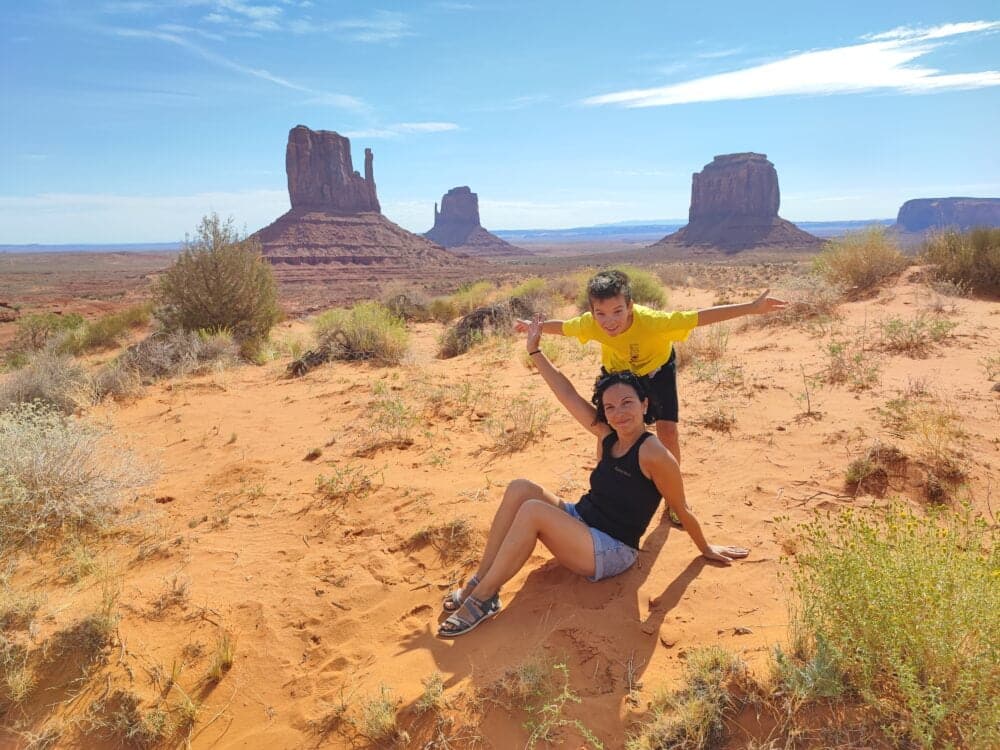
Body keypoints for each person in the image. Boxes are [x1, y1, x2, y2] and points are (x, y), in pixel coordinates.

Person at [437, 318, 749, 638]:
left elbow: (681, 508)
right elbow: (567, 394)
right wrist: (535, 351)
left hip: (611, 549)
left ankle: (484, 597)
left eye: (627, 403)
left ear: (645, 404)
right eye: (610, 406)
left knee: (533, 511)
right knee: (521, 489)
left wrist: (706, 547)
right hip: (582, 522)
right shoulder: (607, 434)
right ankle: (480, 579)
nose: (619, 413)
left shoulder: (654, 453)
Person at [516, 270, 787, 468]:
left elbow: (700, 317)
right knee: (608, 431)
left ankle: (673, 499)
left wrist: (750, 308)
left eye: (618, 311)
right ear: (592, 310)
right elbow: (562, 327)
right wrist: (532, 326)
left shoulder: (654, 322)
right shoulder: (589, 324)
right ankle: (607, 482)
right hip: (618, 376)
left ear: (630, 306)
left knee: (667, 431)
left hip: (658, 371)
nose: (609, 321)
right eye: (601, 313)